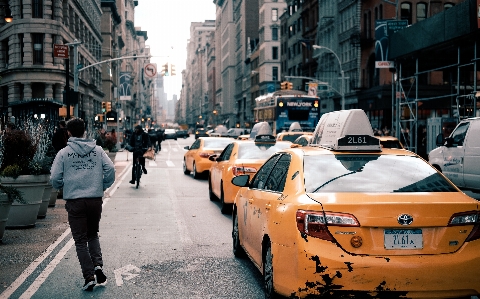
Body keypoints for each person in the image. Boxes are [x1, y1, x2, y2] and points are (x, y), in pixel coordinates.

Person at [50, 118, 115, 291]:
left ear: (69, 133)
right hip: (94, 200)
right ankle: (98, 265)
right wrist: (101, 185)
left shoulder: (63, 153)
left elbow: (54, 178)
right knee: (92, 234)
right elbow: (111, 170)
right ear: (85, 130)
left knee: (80, 240)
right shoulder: (98, 150)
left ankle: (89, 277)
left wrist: (62, 187)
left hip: (75, 201)